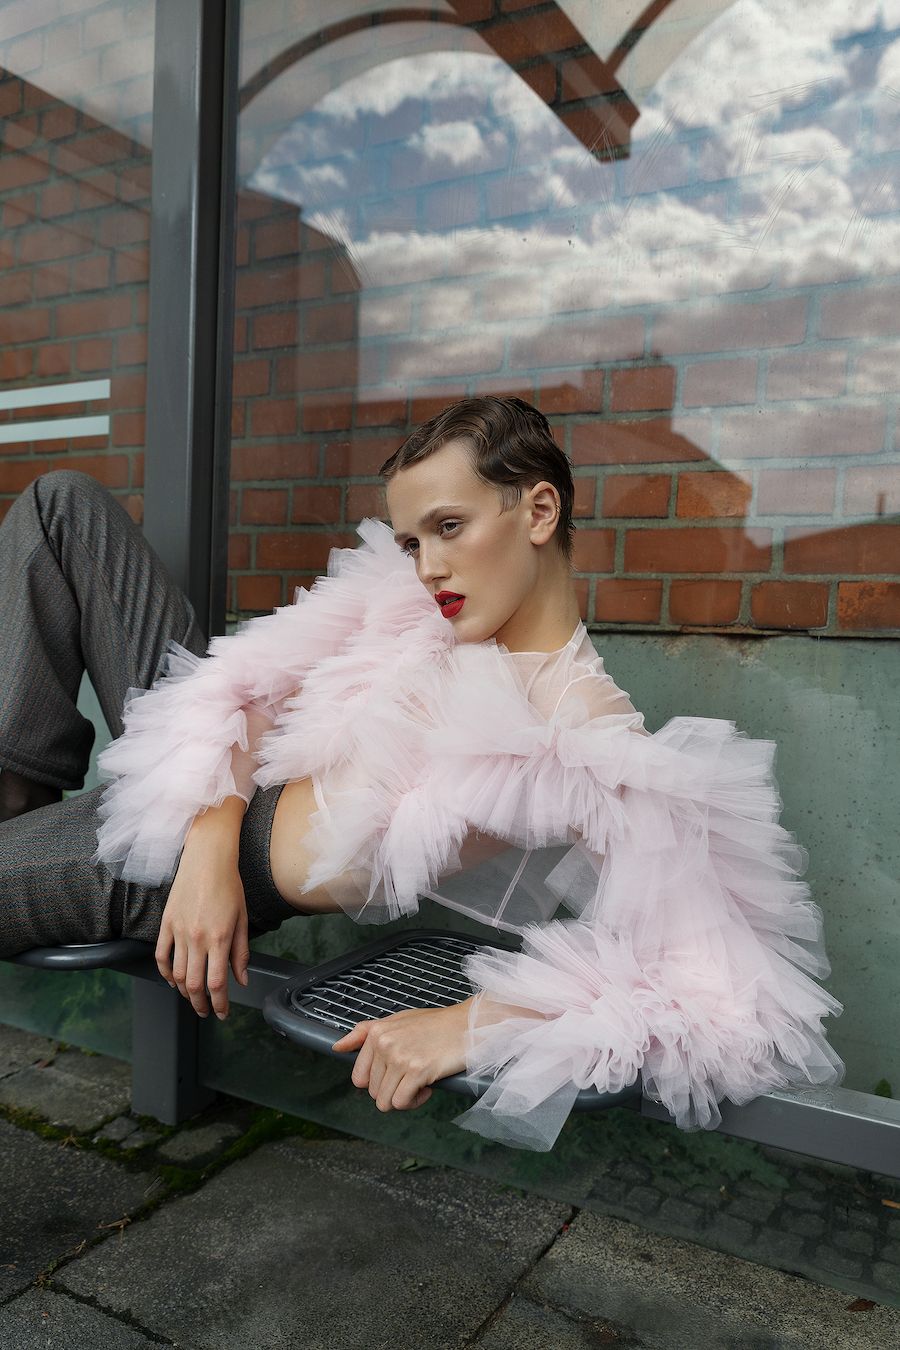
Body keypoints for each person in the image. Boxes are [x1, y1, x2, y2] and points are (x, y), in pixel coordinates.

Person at [0, 396, 845, 1151]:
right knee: (60, 504)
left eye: (448, 527)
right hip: (201, 797)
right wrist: (206, 850)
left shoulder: (581, 730)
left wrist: (471, 1025)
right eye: (412, 541)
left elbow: (718, 992)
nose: (428, 567)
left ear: (539, 511)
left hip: (172, 864)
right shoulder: (421, 605)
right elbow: (247, 685)